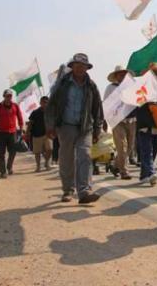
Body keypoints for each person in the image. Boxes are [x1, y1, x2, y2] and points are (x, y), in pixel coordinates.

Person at [45, 53, 104, 204]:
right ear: (72, 67)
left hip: (85, 127)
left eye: (83, 66)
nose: (80, 69)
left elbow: (97, 109)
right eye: (77, 66)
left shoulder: (91, 86)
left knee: (85, 155)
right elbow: (51, 106)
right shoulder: (62, 84)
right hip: (65, 126)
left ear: (87, 68)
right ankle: (68, 190)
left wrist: (97, 129)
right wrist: (50, 126)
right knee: (67, 158)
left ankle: (84, 192)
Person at [135, 63, 157, 186]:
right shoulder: (142, 87)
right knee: (146, 150)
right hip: (145, 123)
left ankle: (144, 175)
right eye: (155, 73)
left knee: (154, 150)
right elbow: (138, 103)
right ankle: (151, 171)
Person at [103, 65, 134, 180]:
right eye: (120, 74)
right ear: (116, 76)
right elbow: (106, 105)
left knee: (130, 146)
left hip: (132, 120)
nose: (123, 75)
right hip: (117, 120)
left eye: (124, 73)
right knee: (122, 146)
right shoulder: (110, 88)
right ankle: (124, 171)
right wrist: (105, 120)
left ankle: (116, 165)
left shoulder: (132, 87)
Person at [0, 89, 24, 178]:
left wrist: (21, 130)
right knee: (1, 154)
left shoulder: (15, 106)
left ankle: (9, 167)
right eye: (7, 96)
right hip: (2, 133)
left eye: (10, 96)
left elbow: (20, 118)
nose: (9, 98)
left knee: (13, 152)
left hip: (13, 132)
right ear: (4, 96)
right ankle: (3, 172)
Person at [28, 96, 52, 172]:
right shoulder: (35, 112)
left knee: (50, 149)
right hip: (37, 134)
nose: (45, 103)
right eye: (43, 102)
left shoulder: (50, 112)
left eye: (46, 102)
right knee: (37, 152)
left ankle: (46, 162)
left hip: (47, 134)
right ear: (40, 103)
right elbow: (30, 123)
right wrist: (28, 132)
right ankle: (38, 166)